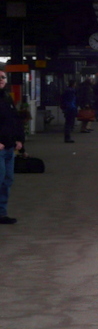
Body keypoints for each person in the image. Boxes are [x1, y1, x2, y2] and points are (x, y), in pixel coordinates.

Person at [0, 70, 26, 224]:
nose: (1, 80)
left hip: (9, 147)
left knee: (6, 181)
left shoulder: (6, 97)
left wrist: (19, 140)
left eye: (3, 77)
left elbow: (15, 120)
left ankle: (1, 214)